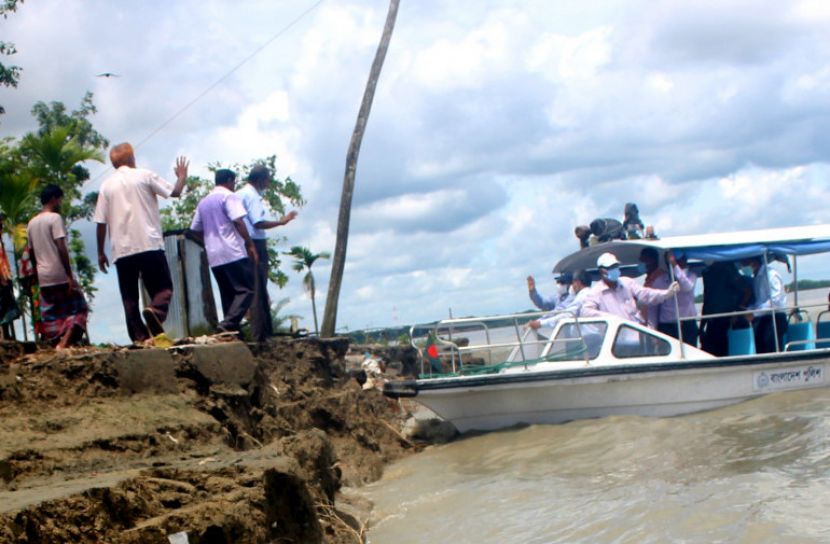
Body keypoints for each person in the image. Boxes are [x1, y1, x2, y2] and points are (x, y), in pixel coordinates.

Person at [94, 143, 189, 344]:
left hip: (121, 249)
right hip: (148, 243)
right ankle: (155, 311)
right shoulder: (144, 175)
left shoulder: (106, 186)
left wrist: (101, 252)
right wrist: (181, 176)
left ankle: (140, 338)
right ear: (131, 159)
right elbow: (175, 192)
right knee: (163, 289)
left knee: (129, 298)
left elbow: (101, 222)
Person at [190, 169, 258, 333]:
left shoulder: (203, 202)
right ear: (229, 180)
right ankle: (227, 324)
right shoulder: (228, 196)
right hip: (232, 251)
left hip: (214, 255)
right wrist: (250, 244)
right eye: (233, 182)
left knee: (228, 295)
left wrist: (208, 240)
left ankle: (232, 333)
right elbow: (239, 222)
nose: (234, 186)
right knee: (247, 289)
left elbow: (195, 229)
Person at [236, 165, 298, 342]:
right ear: (260, 179)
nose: (269, 183)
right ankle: (261, 335)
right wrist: (281, 222)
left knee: (254, 287)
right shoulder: (252, 196)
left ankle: (262, 333)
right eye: (268, 179)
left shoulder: (240, 194)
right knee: (258, 288)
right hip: (255, 242)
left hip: (242, 243)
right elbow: (258, 223)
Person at [26, 185, 88, 348]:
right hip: (58, 273)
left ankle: (57, 343)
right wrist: (69, 275)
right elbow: (61, 246)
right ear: (54, 198)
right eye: (60, 199)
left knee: (53, 314)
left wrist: (37, 274)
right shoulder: (55, 219)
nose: (60, 202)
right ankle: (65, 342)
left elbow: (31, 253)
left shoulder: (31, 223)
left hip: (44, 277)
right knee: (79, 308)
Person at [581, 252, 679, 324]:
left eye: (616, 266)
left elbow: (645, 294)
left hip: (635, 336)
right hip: (614, 342)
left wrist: (667, 293)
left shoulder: (627, 282)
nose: (614, 269)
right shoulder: (595, 292)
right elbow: (585, 312)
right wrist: (609, 318)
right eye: (611, 267)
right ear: (602, 271)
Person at [699, 261, 752, 356]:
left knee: (722, 347)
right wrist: (702, 326)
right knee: (709, 347)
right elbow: (707, 299)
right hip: (712, 320)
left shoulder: (727, 268)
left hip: (727, 317)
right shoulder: (707, 272)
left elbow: (746, 289)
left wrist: (739, 311)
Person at [741, 256, 788, 353]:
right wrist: (748, 310)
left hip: (775, 317)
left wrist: (754, 313)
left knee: (770, 348)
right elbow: (759, 301)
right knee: (759, 345)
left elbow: (775, 300)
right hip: (763, 317)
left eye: (744, 264)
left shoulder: (770, 274)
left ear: (753, 262)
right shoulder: (756, 278)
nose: (743, 268)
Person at [657, 251, 699, 346]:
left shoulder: (692, 276)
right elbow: (654, 306)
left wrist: (675, 266)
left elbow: (686, 287)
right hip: (667, 325)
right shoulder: (660, 280)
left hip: (687, 324)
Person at [527, 270, 592, 330]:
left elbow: (566, 314)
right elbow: (543, 303)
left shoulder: (577, 298)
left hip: (582, 338)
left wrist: (540, 323)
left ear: (575, 283)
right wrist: (533, 292)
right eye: (558, 282)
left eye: (562, 282)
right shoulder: (557, 297)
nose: (559, 284)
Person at [0, 213, 21, 339]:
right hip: (2, 279)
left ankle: (6, 334)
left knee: (6, 308)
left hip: (5, 276)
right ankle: (5, 335)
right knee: (4, 307)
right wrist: (2, 279)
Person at [638, 247, 668, 329]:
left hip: (657, 327)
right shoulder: (648, 280)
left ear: (652, 261)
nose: (641, 264)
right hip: (647, 325)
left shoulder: (661, 279)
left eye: (643, 260)